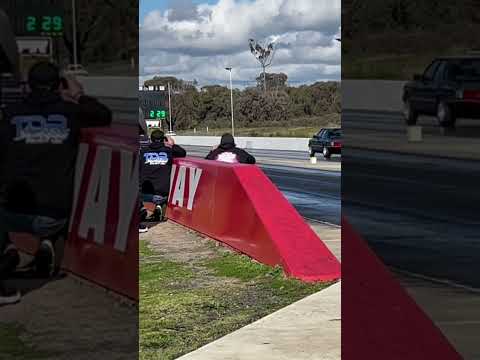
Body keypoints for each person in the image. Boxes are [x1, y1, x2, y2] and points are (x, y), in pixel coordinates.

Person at [0, 61, 112, 294]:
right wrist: (78, 93)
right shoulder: (70, 112)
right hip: (54, 216)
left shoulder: (11, 113)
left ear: (28, 85)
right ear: (59, 85)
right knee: (56, 192)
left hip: (12, 213)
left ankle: (7, 249)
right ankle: (48, 244)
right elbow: (103, 115)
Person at [140, 130, 186, 223]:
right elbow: (182, 153)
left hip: (144, 194)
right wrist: (172, 144)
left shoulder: (143, 151)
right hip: (162, 193)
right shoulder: (169, 151)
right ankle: (159, 206)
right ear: (163, 140)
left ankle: (142, 209)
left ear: (151, 140)